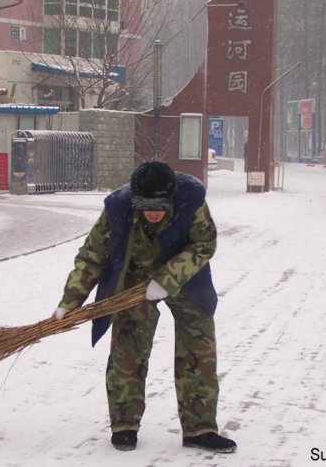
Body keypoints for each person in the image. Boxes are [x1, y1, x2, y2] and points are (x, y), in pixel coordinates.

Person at [54, 161, 236, 454]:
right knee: (129, 346)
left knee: (198, 349)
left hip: (184, 277)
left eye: (160, 206)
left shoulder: (191, 198)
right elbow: (91, 257)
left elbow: (205, 243)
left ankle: (199, 428)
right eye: (146, 206)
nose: (153, 212)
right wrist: (69, 302)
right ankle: (124, 424)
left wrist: (166, 279)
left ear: (171, 197)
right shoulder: (117, 208)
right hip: (135, 279)